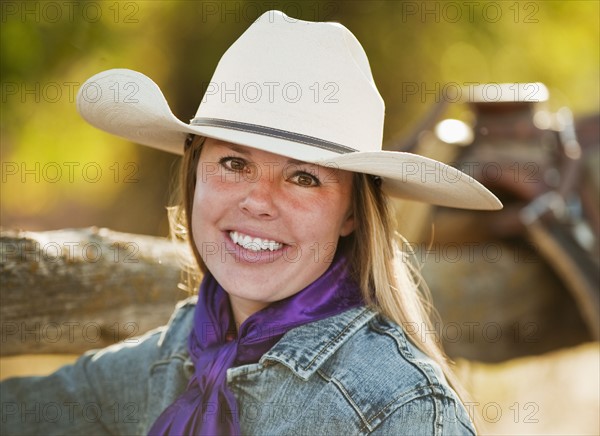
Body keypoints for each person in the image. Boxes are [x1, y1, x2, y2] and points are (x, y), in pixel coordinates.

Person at [1, 10, 501, 435]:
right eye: (235, 164)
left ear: (351, 213)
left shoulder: (398, 410)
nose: (259, 202)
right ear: (196, 173)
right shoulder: (175, 355)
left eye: (303, 178)